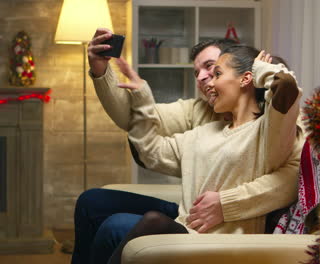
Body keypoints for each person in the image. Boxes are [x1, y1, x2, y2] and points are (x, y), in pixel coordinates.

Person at [72, 28, 303, 264]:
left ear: (246, 77)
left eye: (214, 70)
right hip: (190, 219)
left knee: (131, 223)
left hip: (225, 231)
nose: (205, 79)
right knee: (94, 204)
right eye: (198, 72)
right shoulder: (201, 123)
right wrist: (129, 89)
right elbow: (149, 146)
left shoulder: (271, 128)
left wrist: (227, 203)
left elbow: (285, 94)